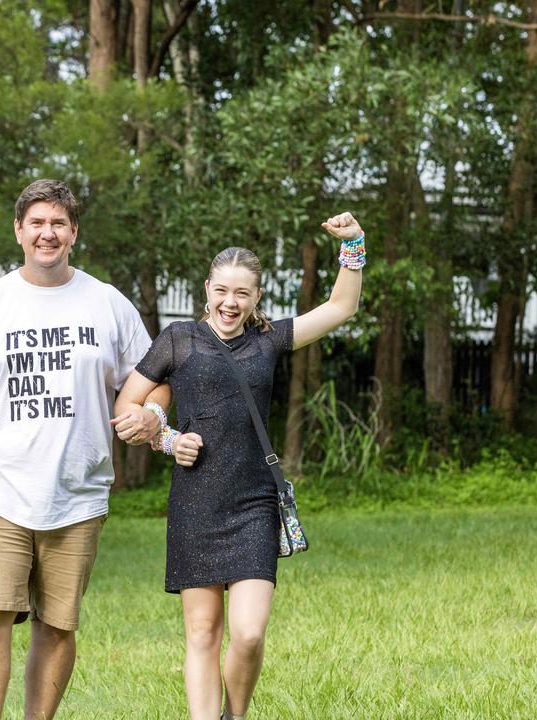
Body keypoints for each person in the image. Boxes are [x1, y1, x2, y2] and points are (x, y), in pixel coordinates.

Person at [112, 213, 366, 720]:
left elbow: (341, 307)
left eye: (242, 294)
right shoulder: (178, 339)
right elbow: (125, 409)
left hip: (253, 501)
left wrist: (354, 245)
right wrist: (167, 438)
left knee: (248, 633)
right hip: (195, 501)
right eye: (222, 291)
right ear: (206, 289)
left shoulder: (269, 339)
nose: (230, 303)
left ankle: (236, 713)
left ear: (256, 297)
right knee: (202, 632)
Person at [0, 179, 162, 720]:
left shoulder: (108, 304)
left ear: (74, 232)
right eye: (36, 222)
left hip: (78, 492)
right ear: (18, 231)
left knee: (57, 623)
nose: (47, 233)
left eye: (58, 223)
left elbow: (155, 377)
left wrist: (154, 415)